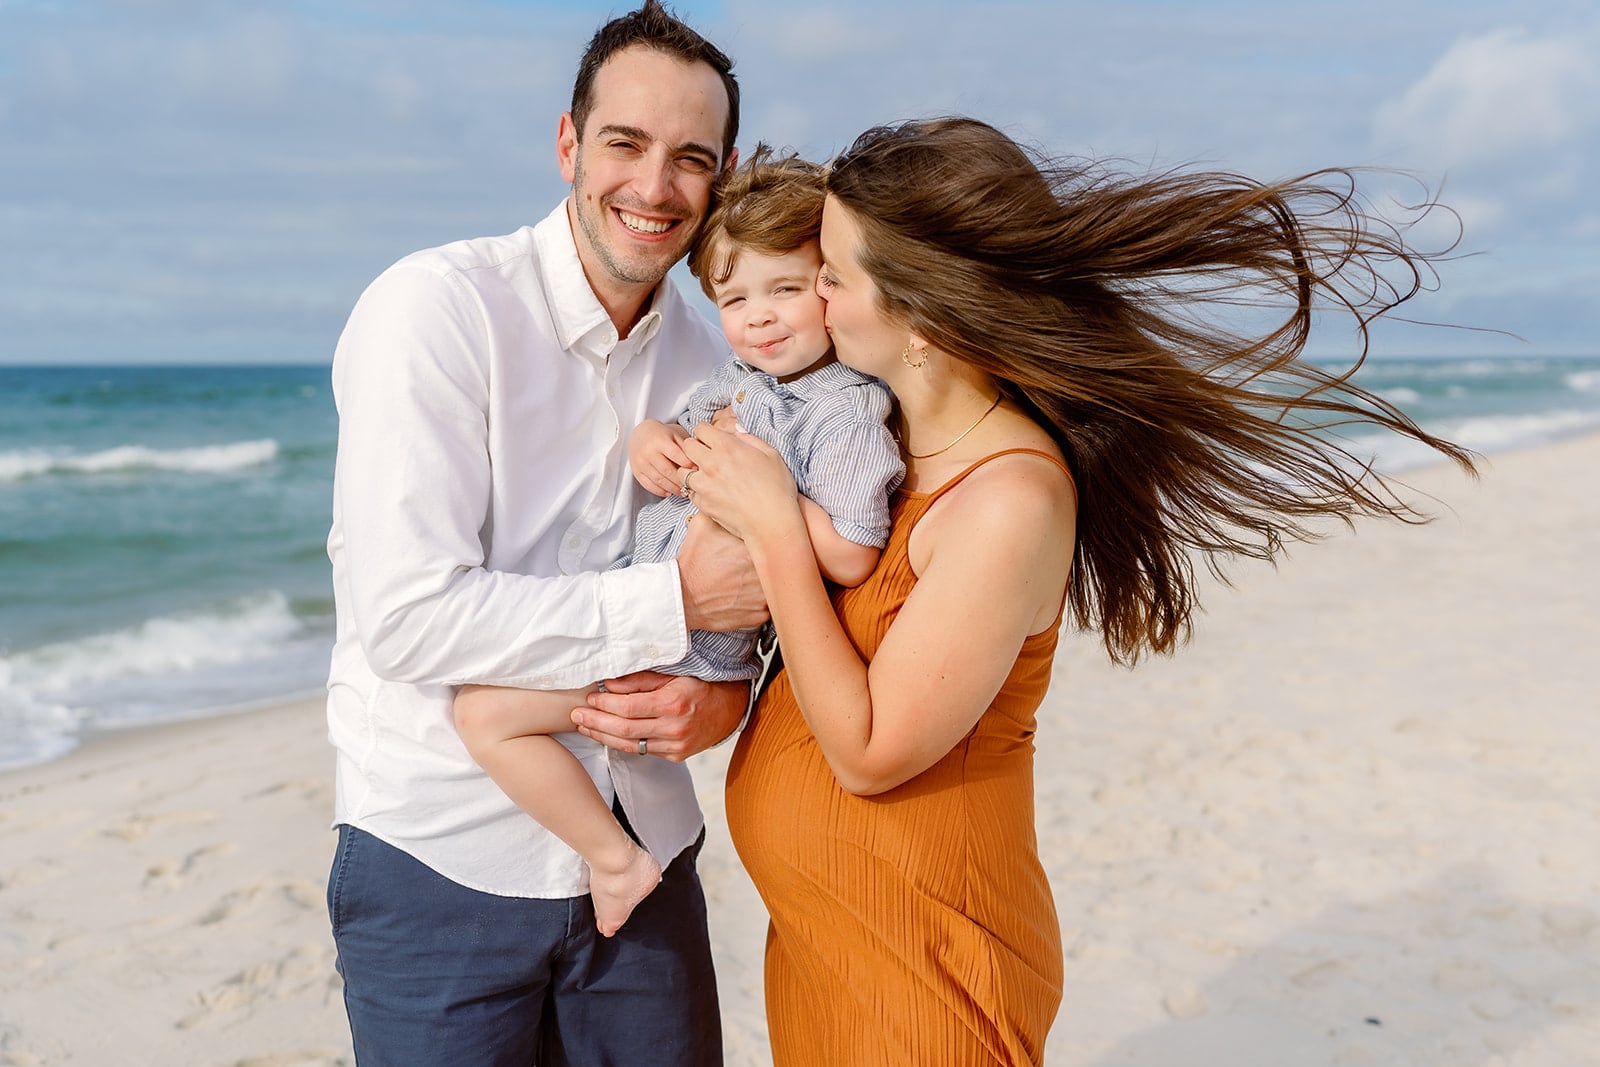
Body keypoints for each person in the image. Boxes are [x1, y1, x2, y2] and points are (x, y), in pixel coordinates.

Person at [645, 117, 1476, 1065]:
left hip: (927, 968)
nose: (811, 295)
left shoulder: (1008, 497)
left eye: (831, 272)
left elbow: (872, 751)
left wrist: (775, 530)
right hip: (830, 941)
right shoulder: (872, 450)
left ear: (917, 312)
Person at [323, 3, 764, 1062]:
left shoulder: (714, 356)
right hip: (441, 862)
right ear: (569, 143)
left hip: (648, 850)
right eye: (625, 143)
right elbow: (409, 619)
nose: (654, 187)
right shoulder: (435, 311)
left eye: (689, 159)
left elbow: (755, 580)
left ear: (722, 175)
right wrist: (676, 604)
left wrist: (722, 693)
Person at [451, 148, 904, 939]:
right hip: (647, 611)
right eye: (734, 298)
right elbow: (678, 435)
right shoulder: (737, 378)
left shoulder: (843, 411)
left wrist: (772, 509)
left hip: (686, 648)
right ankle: (609, 850)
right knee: (486, 710)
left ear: (830, 285)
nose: (758, 316)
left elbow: (854, 553)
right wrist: (650, 443)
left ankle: (616, 860)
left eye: (786, 290)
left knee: (486, 716)